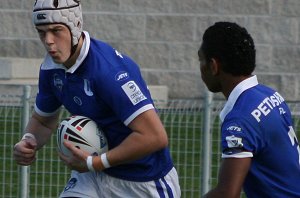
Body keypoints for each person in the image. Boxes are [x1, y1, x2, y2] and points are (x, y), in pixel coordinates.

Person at [13, 0, 181, 197]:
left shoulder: (108, 71)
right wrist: (28, 140)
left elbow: (154, 136)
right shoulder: (51, 69)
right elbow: (43, 121)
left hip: (143, 180)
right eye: (42, 32)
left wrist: (95, 162)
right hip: (91, 175)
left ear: (75, 26)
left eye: (56, 30)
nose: (48, 40)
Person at [198, 21, 300, 197]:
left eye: (201, 59)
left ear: (214, 66)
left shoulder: (240, 120)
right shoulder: (270, 94)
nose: (200, 67)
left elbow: (227, 193)